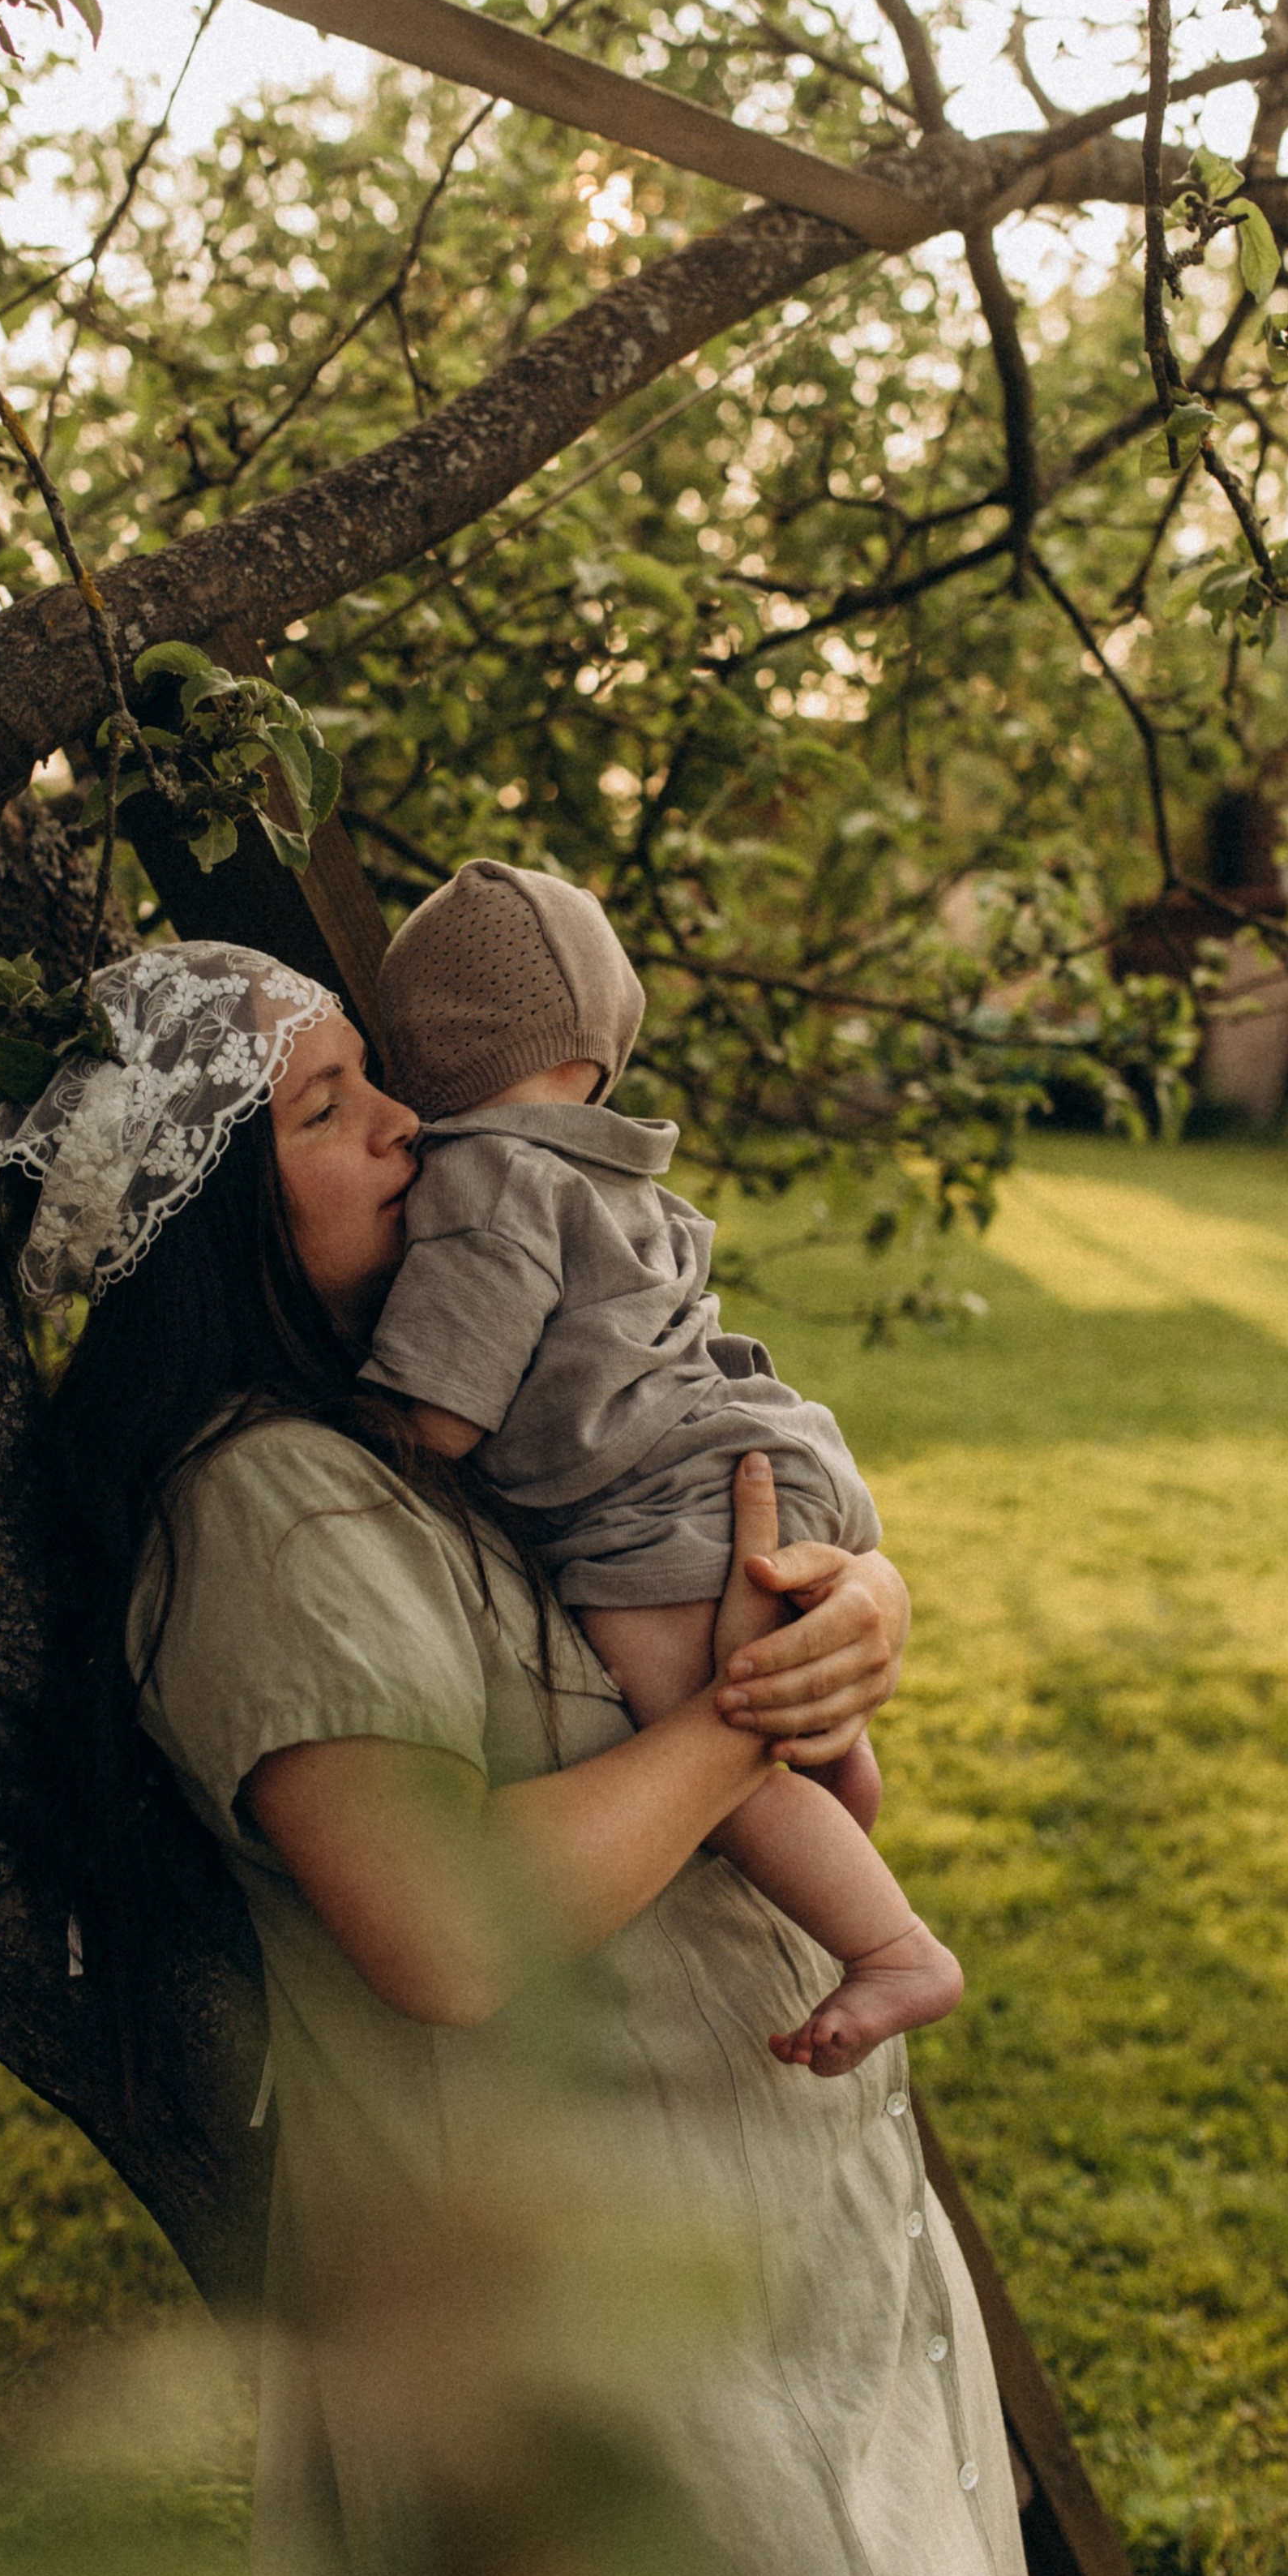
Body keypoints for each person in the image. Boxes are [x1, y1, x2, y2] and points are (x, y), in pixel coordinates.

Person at [0, 939, 1042, 2576]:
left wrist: (862, 1606)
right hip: (602, 2347)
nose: (411, 1125)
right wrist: (741, 1719)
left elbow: (707, 1591)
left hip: (769, 2249)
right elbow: (449, 1929)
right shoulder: (269, 1509)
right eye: (332, 1107)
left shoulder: (463, 1433)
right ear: (213, 1228)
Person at [360, 858, 962, 2077]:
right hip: (771, 1450)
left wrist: (372, 1419)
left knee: (698, 1736)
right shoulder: (622, 1172)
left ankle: (896, 1948)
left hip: (665, 1501)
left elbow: (446, 1412)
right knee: (777, 1705)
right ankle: (837, 1787)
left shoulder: (490, 1178)